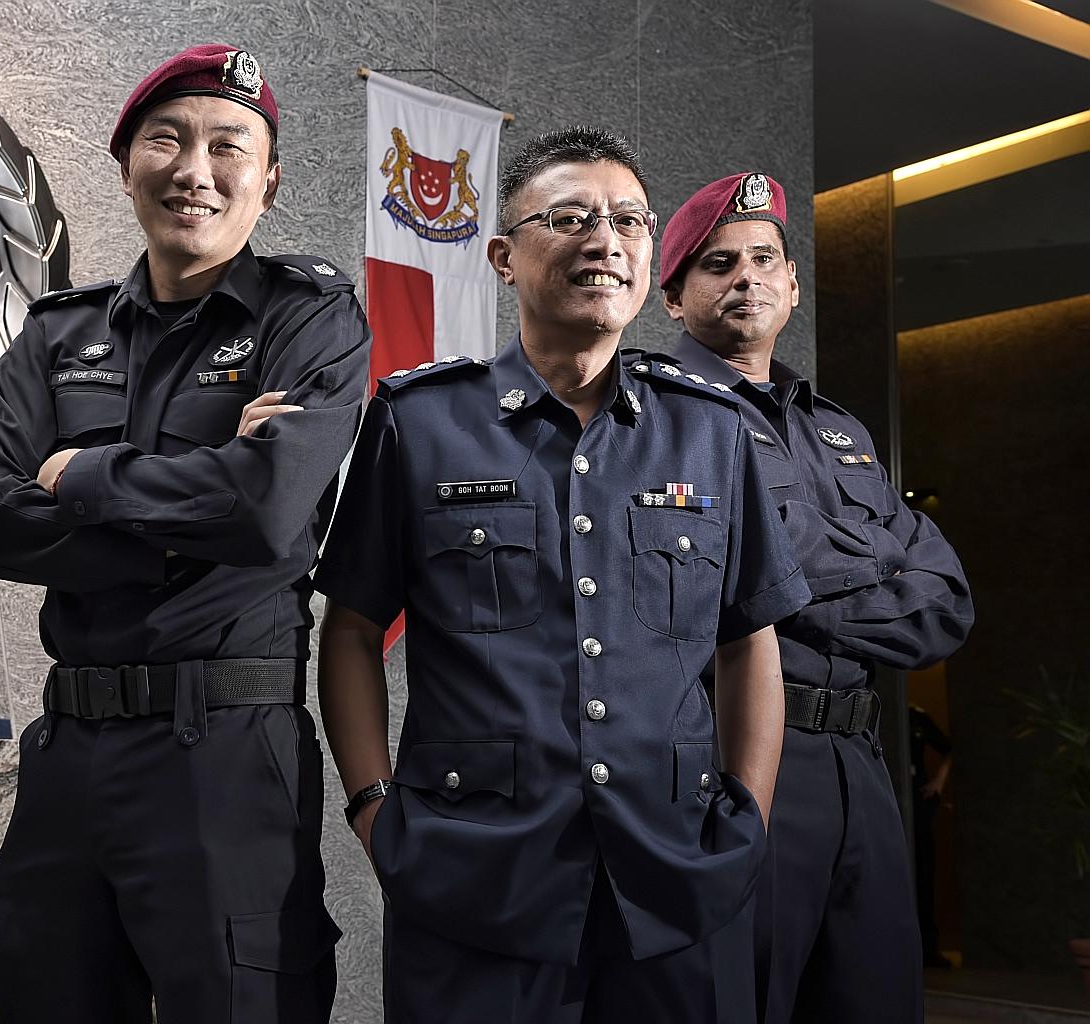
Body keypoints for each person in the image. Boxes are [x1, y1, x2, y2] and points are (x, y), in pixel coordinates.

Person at [313, 126, 811, 1023]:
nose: (604, 240)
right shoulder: (418, 422)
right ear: (504, 257)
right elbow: (350, 629)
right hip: (473, 880)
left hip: (676, 882)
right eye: (571, 217)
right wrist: (373, 810)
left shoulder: (711, 431)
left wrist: (748, 816)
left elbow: (749, 642)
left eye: (627, 219)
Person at [0, 43, 371, 1024]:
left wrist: (85, 474)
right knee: (38, 988)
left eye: (229, 145)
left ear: (267, 181)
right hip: (68, 754)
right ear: (126, 163)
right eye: (167, 139)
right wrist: (207, 500)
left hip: (223, 746)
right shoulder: (57, 337)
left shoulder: (309, 318)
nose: (196, 168)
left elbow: (270, 511)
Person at [659, 171, 974, 1022]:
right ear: (674, 297)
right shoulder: (660, 415)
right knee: (744, 999)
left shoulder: (841, 429)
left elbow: (944, 599)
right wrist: (879, 561)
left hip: (861, 763)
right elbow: (770, 572)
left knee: (875, 997)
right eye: (718, 264)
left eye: (765, 259)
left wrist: (809, 565)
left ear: (793, 286)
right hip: (738, 756)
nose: (747, 278)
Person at [909, 703, 954, 969]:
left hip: (918, 801)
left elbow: (949, 749)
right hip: (889, 795)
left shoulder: (918, 717)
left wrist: (938, 782)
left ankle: (928, 948)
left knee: (924, 871)